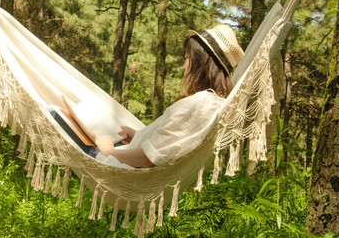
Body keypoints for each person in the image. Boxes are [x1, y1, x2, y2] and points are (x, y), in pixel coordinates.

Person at [95, 24, 245, 168]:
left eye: (187, 58)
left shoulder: (200, 104)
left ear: (201, 62)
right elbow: (169, 145)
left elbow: (147, 158)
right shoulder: (211, 103)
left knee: (75, 127)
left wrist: (109, 152)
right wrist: (136, 136)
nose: (183, 67)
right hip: (127, 158)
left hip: (119, 167)